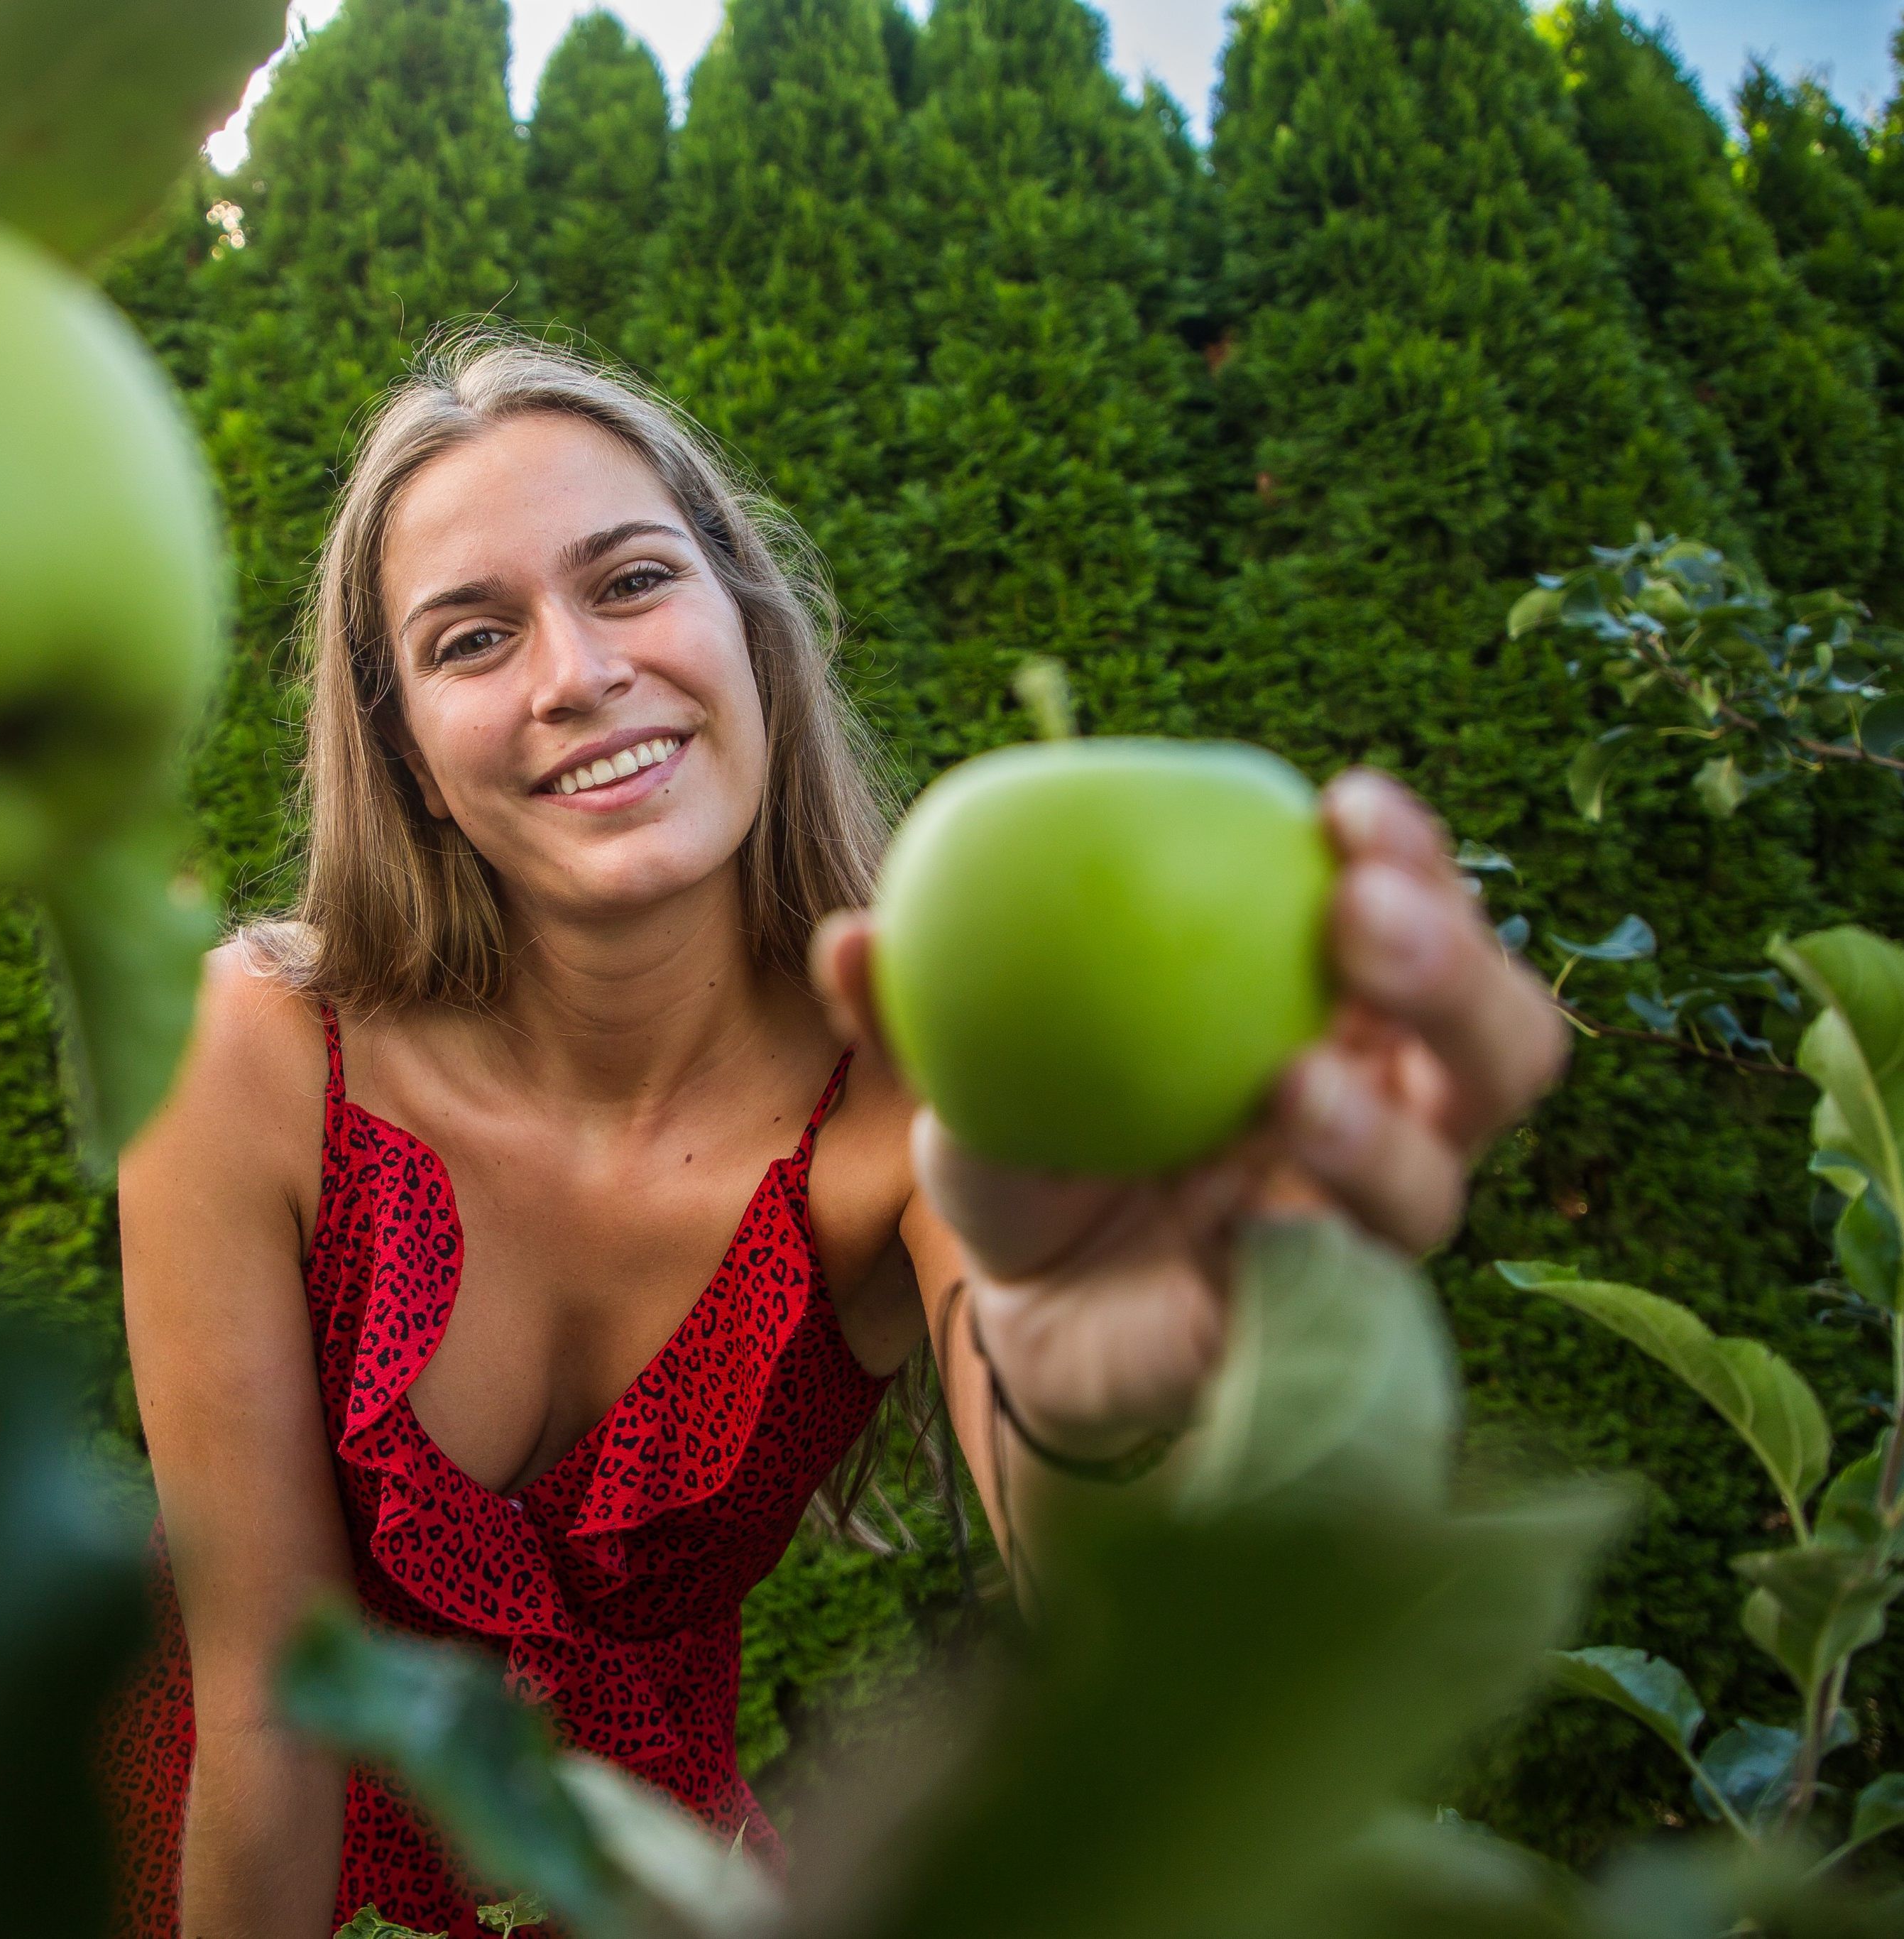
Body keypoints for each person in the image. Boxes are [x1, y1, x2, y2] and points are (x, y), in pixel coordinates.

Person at [99, 332, 1567, 1939]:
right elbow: (266, 1703)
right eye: (471, 638)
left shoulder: (917, 1098)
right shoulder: (246, 1049)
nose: (575, 672)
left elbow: (1081, 1524)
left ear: (755, 634)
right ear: (412, 764)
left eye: (634, 579)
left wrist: (1190, 1380)